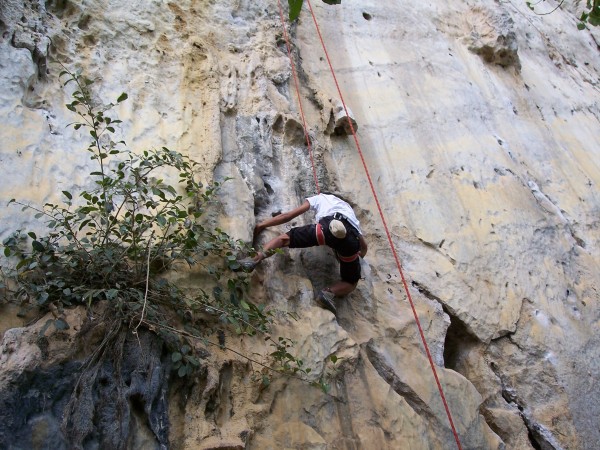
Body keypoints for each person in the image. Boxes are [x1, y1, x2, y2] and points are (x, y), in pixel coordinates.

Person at [240, 193, 367, 314]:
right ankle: (327, 293)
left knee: (283, 240)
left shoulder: (321, 197)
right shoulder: (349, 211)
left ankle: (254, 259)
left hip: (326, 228)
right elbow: (363, 247)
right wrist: (354, 257)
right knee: (351, 282)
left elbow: (288, 216)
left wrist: (262, 225)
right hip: (350, 240)